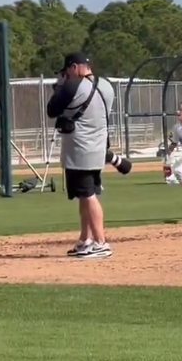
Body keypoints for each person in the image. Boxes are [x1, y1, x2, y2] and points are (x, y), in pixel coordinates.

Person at [45, 53, 116, 258]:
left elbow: (52, 110)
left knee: (88, 195)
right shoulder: (106, 85)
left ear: (74, 67)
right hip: (98, 146)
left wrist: (60, 86)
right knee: (85, 195)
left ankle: (101, 242)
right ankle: (86, 239)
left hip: (79, 149)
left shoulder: (72, 85)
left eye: (67, 70)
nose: (66, 74)